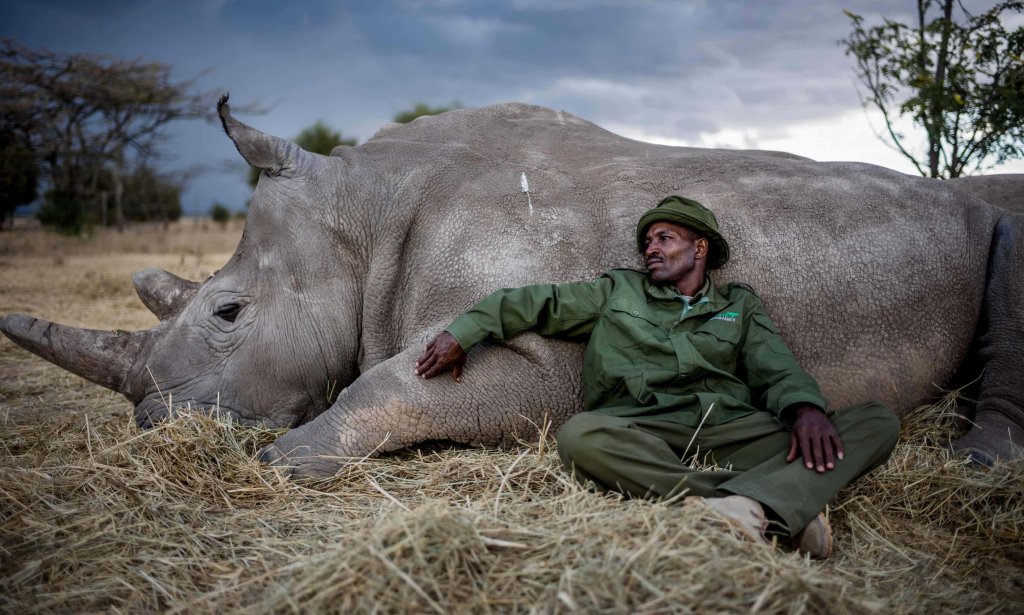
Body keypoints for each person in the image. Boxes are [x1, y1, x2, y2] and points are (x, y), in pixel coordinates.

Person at [414, 195, 900, 559]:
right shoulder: (617, 291)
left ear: (700, 248)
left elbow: (777, 367)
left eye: (664, 239)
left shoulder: (740, 306)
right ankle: (765, 509)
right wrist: (466, 329)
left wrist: (805, 409)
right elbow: (536, 302)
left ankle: (749, 507)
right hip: (641, 427)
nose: (651, 249)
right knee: (579, 437)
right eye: (647, 242)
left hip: (728, 425)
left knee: (876, 421)